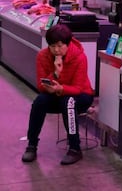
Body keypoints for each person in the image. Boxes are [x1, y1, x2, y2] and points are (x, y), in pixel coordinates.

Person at [22, 24, 94, 165]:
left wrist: (60, 88)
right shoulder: (42, 56)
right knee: (39, 101)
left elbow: (79, 88)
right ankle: (31, 145)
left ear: (67, 44)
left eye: (60, 46)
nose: (56, 50)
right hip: (56, 94)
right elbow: (41, 85)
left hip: (82, 96)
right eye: (52, 46)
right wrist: (55, 73)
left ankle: (75, 148)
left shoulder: (80, 57)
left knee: (68, 102)